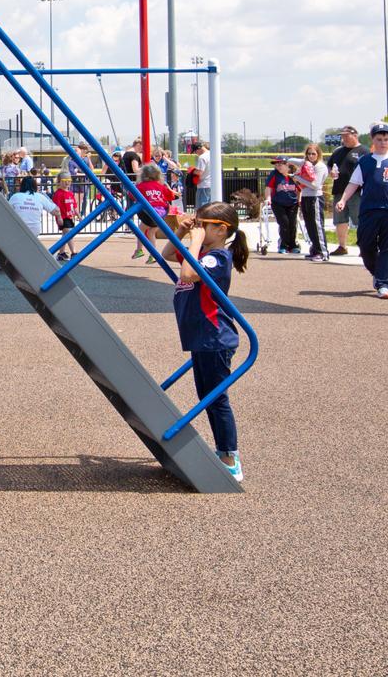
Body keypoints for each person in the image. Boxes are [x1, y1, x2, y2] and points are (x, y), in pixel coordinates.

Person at [161, 204, 250, 483]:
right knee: (206, 396)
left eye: (203, 224)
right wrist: (181, 231)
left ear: (221, 229)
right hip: (201, 336)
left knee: (216, 398)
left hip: (215, 337)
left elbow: (188, 275)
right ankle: (223, 451)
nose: (198, 228)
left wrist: (195, 241)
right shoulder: (200, 255)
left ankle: (230, 456)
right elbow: (165, 255)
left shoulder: (218, 258)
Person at [335, 123, 388, 299]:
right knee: (365, 245)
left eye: (386, 139)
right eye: (379, 139)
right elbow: (354, 183)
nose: (383, 142)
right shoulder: (365, 161)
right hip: (369, 210)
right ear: (373, 140)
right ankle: (378, 272)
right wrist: (343, 200)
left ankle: (384, 283)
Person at [130, 163, 182, 259]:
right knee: (151, 232)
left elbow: (132, 195)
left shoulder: (141, 186)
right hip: (161, 213)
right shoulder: (161, 186)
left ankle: (139, 250)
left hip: (149, 213)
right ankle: (153, 255)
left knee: (140, 230)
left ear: (143, 175)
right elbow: (170, 196)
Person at [326, 126, 363, 255]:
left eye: (347, 135)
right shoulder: (338, 151)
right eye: (343, 136)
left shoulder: (364, 151)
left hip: (357, 191)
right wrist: (331, 171)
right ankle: (342, 246)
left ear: (355, 135)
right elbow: (329, 164)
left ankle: (363, 246)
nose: (344, 138)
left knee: (359, 219)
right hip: (339, 189)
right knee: (340, 220)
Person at [264, 157, 303, 255]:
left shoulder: (293, 176)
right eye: (276, 165)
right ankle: (283, 245)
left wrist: (299, 200)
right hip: (278, 203)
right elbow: (269, 187)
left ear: (287, 165)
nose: (278, 167)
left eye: (280, 164)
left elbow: (300, 189)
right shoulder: (274, 174)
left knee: (292, 224)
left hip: (292, 203)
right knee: (284, 223)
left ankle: (293, 245)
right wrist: (268, 198)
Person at [298, 144, 330, 261]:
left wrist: (298, 178)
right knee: (309, 225)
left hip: (315, 197)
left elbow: (315, 185)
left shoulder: (320, 166)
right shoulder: (307, 165)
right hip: (306, 196)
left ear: (318, 154)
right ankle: (315, 249)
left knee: (317, 225)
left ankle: (323, 252)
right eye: (308, 154)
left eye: (313, 154)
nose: (311, 156)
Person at [7, 174, 56, 249]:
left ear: (22, 186)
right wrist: (48, 199)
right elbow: (55, 211)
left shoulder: (15, 196)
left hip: (18, 230)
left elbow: (7, 212)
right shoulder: (40, 197)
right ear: (35, 186)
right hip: (34, 230)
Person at [192, 139, 215, 207]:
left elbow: (199, 172)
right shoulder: (213, 154)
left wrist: (192, 170)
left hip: (203, 185)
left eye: (195, 151)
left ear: (199, 149)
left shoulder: (202, 157)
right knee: (210, 207)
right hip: (212, 185)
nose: (196, 153)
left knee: (202, 208)